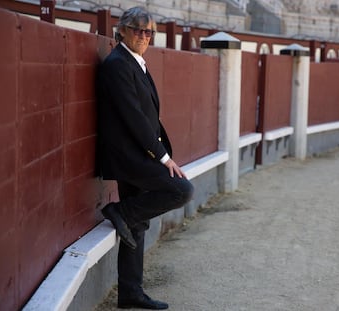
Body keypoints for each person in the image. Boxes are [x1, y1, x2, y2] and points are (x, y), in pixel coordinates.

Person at [96, 6, 194, 310]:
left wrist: (163, 147)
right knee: (181, 190)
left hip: (138, 152)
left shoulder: (134, 62)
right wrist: (163, 157)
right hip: (129, 156)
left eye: (149, 31)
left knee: (137, 225)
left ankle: (130, 292)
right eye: (137, 29)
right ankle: (121, 212)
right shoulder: (117, 64)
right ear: (122, 30)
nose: (144, 36)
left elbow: (149, 116)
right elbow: (134, 118)